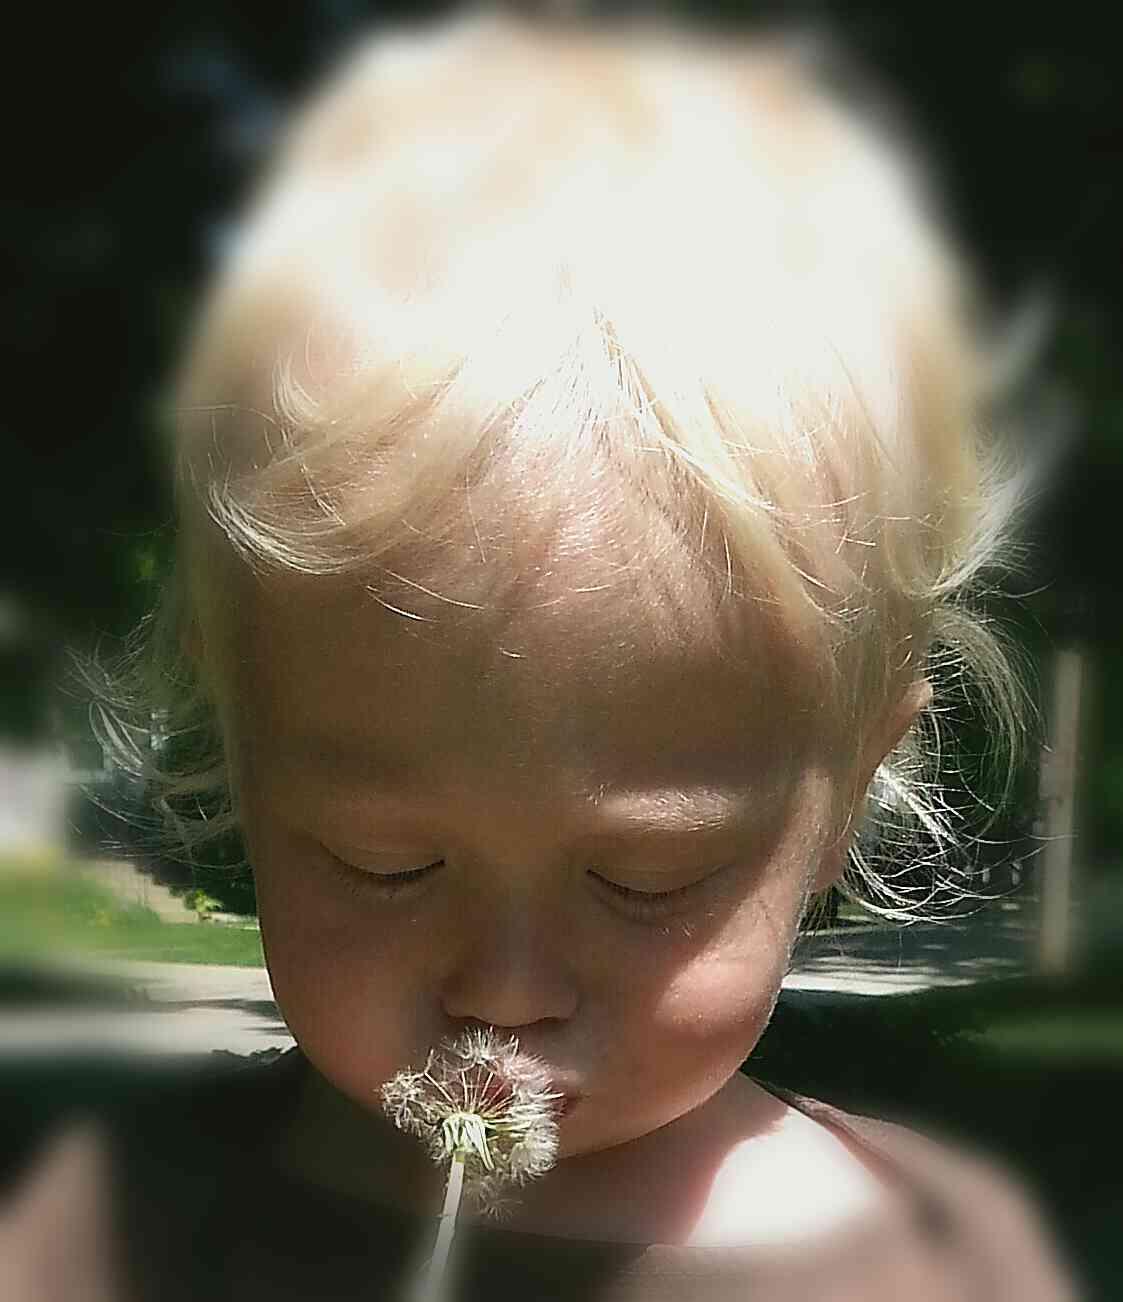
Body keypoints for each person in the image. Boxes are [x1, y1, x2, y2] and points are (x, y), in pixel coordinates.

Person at [3, 6, 1080, 1298]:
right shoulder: (122, 1225)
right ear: (241, 752)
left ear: (847, 789)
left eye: (647, 876)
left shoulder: (938, 1259)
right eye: (382, 861)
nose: (502, 993)